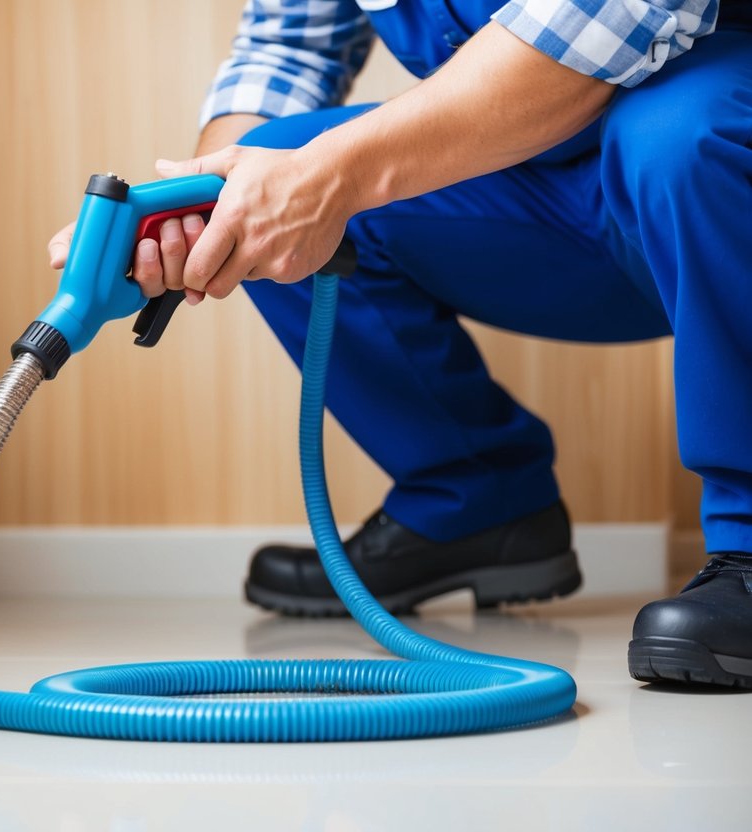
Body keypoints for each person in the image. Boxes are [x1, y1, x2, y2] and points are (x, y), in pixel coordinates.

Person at [48, 0, 752, 688]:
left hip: (710, 175)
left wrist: (328, 177)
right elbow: (290, 46)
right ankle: (473, 501)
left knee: (679, 134)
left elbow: (610, 13)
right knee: (269, 175)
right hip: (568, 212)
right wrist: (206, 211)